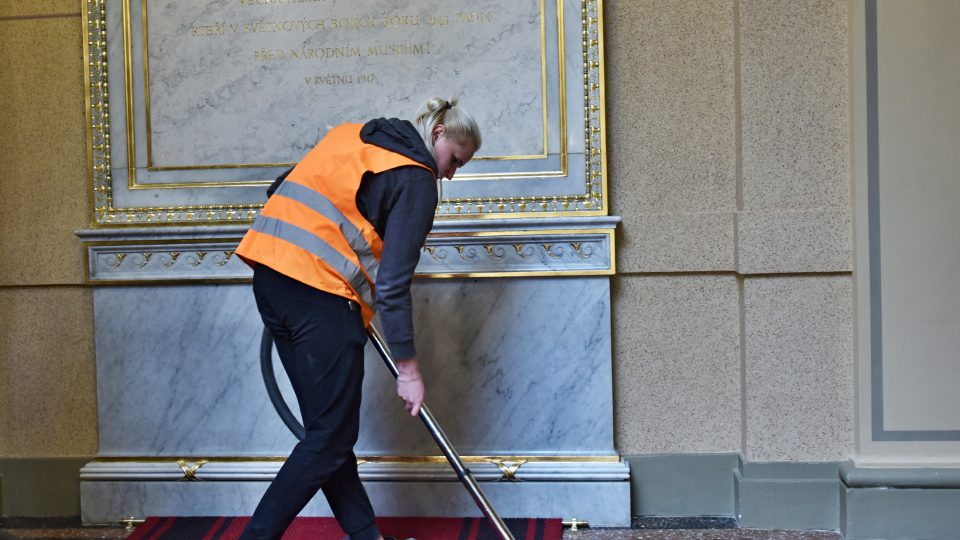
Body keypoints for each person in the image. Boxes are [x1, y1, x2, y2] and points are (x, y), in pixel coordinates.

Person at [234, 97, 481, 540]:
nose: (451, 174)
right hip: (322, 299)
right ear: (439, 135)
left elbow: (279, 189)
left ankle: (367, 535)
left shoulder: (351, 135)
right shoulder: (418, 178)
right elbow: (392, 284)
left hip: (272, 284)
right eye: (455, 161)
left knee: (328, 434)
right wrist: (408, 370)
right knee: (330, 438)